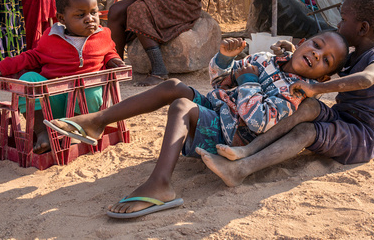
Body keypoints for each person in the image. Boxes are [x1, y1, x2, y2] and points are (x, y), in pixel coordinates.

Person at [43, 30, 348, 218]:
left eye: (326, 60)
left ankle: (160, 185)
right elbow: (218, 79)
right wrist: (226, 61)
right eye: (317, 45)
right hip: (218, 107)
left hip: (231, 134)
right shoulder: (267, 57)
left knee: (182, 106)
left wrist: (248, 79)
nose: (317, 54)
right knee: (173, 85)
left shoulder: (294, 91)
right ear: (303, 42)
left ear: (322, 77)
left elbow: (258, 122)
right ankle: (97, 122)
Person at [195, 0, 374, 187]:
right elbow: (319, 68)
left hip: (361, 135)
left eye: (343, 19)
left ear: (362, 28)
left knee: (306, 131)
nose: (339, 23)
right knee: (308, 105)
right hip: (342, 118)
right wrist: (296, 52)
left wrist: (316, 88)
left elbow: (366, 79)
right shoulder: (352, 57)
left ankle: (240, 170)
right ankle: (248, 149)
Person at [0, 0, 125, 154]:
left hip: (84, 107)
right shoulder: (51, 37)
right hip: (54, 102)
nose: (90, 18)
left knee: (91, 91)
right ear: (62, 19)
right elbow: (33, 56)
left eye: (94, 12)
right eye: (80, 15)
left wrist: (113, 59)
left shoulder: (103, 35)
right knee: (28, 79)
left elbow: (109, 51)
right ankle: (42, 132)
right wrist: (5, 66)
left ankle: (75, 132)